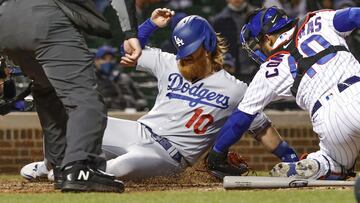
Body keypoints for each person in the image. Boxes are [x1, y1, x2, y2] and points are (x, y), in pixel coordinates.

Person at [20, 8, 298, 182]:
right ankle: (52, 166)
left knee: (124, 167)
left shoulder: (236, 89)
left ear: (209, 46)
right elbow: (130, 51)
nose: (184, 58)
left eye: (190, 53)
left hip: (170, 158)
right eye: (182, 53)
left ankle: (76, 171)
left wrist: (291, 158)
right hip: (139, 131)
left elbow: (262, 129)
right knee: (67, 121)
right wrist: (151, 26)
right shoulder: (169, 62)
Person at [0, 0, 142, 192]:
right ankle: (80, 167)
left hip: (7, 19)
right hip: (47, 17)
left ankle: (60, 167)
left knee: (47, 89)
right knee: (85, 99)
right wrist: (130, 33)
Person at [207, 6, 360, 180]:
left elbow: (241, 118)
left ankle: (318, 165)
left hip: (328, 120)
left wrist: (216, 154)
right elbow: (355, 15)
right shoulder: (318, 19)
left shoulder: (268, 70)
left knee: (335, 164)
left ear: (268, 38)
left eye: (259, 44)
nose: (259, 49)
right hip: (356, 88)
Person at [211, 0, 257, 84]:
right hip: (233, 73)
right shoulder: (219, 20)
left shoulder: (258, 16)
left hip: (258, 69)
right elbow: (216, 48)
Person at [94, 45, 148, 111]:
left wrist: (133, 104)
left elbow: (142, 100)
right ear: (96, 61)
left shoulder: (125, 78)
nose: (108, 62)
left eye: (111, 59)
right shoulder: (90, 80)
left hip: (126, 117)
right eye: (104, 59)